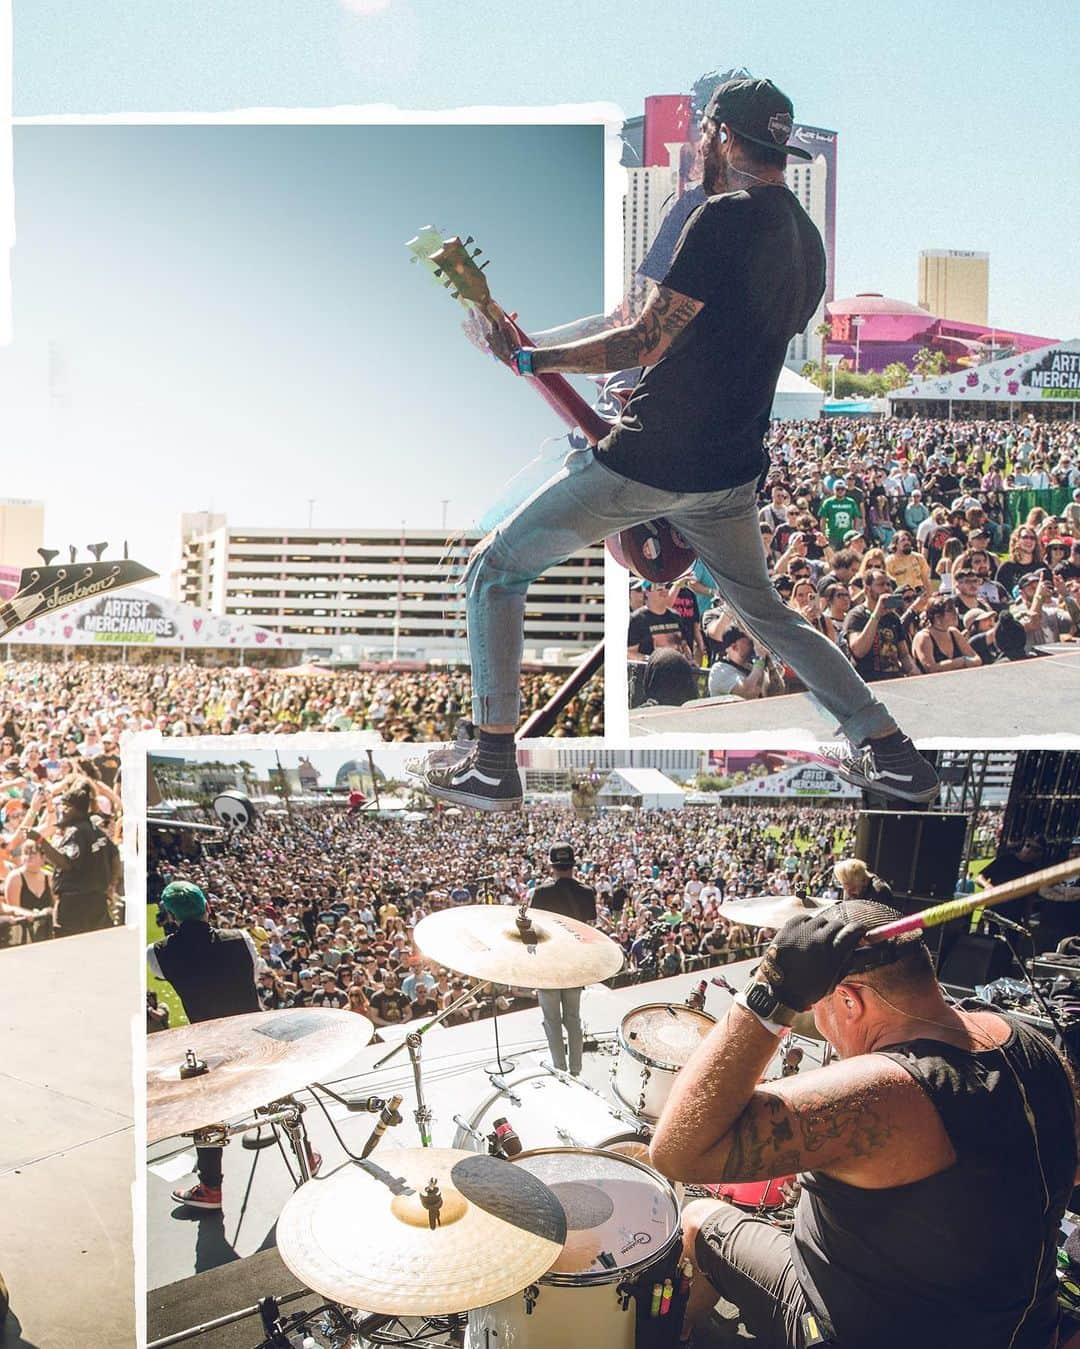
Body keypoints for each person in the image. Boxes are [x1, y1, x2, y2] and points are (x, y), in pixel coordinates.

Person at [417, 76, 937, 811]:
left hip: (652, 462)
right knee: (769, 615)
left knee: (494, 568)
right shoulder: (805, 238)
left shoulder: (719, 218)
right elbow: (720, 344)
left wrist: (533, 359)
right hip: (729, 474)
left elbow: (644, 337)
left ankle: (492, 759)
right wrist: (543, 349)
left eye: (704, 132)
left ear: (721, 136)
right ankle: (890, 751)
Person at [649, 902, 1078, 1349]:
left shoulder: (886, 1090)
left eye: (819, 1009)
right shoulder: (1032, 1043)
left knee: (699, 1218)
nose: (820, 1026)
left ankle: (677, 1338)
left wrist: (769, 992)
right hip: (1023, 1326)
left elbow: (677, 1149)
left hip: (866, 1332)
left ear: (850, 1000)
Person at [147, 880, 262, 1212]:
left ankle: (210, 1188)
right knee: (278, 1091)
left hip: (210, 1042)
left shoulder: (157, 954)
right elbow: (252, 977)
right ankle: (306, 1154)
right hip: (253, 1034)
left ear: (169, 915)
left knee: (206, 1109)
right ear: (208, 907)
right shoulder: (241, 939)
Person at [528, 842, 596, 1076]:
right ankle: (576, 1069)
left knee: (551, 1020)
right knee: (573, 1018)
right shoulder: (587, 893)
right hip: (575, 963)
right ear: (572, 864)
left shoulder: (541, 893)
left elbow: (533, 928)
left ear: (552, 865)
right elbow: (589, 929)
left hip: (549, 963)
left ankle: (560, 1068)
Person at [25, 779, 115, 937]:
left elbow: (65, 863)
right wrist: (110, 886)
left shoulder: (76, 832)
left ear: (76, 809)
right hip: (97, 902)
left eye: (65, 806)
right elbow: (115, 855)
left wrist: (40, 840)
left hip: (75, 907)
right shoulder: (96, 831)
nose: (62, 810)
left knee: (69, 952)